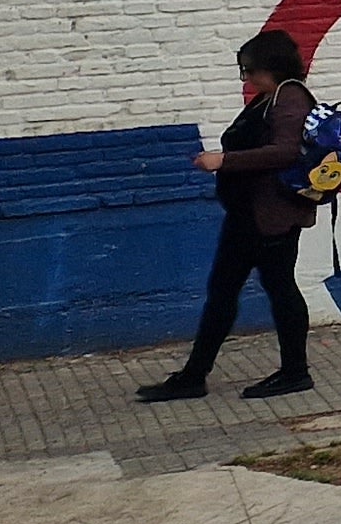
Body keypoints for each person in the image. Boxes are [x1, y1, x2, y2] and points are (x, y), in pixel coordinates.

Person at [135, 29, 317, 402]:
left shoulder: (290, 99)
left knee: (278, 289)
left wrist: (224, 161)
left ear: (272, 67)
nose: (247, 78)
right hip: (248, 214)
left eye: (250, 70)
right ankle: (194, 375)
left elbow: (285, 152)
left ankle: (294, 372)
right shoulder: (270, 98)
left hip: (271, 218)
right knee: (225, 292)